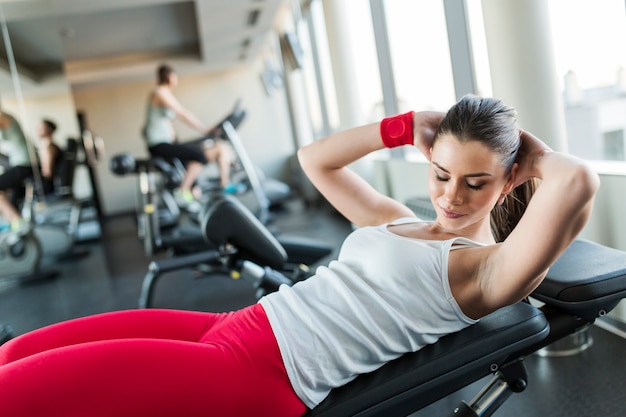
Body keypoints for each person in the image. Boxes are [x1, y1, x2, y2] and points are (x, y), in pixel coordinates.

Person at [0, 95, 599, 416]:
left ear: (509, 179)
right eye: (442, 174)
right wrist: (403, 124)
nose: (451, 196)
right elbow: (317, 161)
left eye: (476, 183)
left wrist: (524, 153)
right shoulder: (396, 218)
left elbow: (578, 183)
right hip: (235, 326)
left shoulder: (484, 271)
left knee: (15, 396)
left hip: (264, 374)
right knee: (16, 352)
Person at [142, 64, 235, 209]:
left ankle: (220, 185)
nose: (176, 79)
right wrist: (204, 129)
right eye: (174, 76)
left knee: (214, 148)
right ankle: (183, 191)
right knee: (199, 155)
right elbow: (182, 113)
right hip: (158, 145)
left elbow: (168, 123)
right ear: (170, 77)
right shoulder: (159, 93)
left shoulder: (165, 94)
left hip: (169, 142)